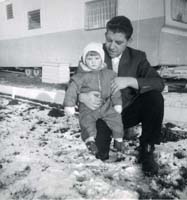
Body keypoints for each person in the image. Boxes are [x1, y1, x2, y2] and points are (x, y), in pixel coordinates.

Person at [79, 16, 165, 175]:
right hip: (101, 116)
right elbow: (72, 84)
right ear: (105, 35)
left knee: (154, 98)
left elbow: (159, 83)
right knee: (100, 155)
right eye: (109, 40)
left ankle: (146, 150)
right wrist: (82, 97)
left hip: (126, 112)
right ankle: (105, 142)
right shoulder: (94, 53)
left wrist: (130, 81)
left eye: (119, 42)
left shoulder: (138, 57)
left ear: (129, 40)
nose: (112, 46)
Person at [64, 42, 124, 156]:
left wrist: (117, 103)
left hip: (106, 105)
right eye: (90, 58)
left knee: (116, 119)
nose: (93, 62)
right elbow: (71, 90)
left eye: (96, 58)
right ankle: (90, 141)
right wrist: (69, 105)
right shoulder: (80, 76)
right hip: (88, 107)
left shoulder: (109, 74)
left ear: (101, 59)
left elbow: (115, 90)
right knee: (86, 122)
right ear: (84, 60)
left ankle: (118, 140)